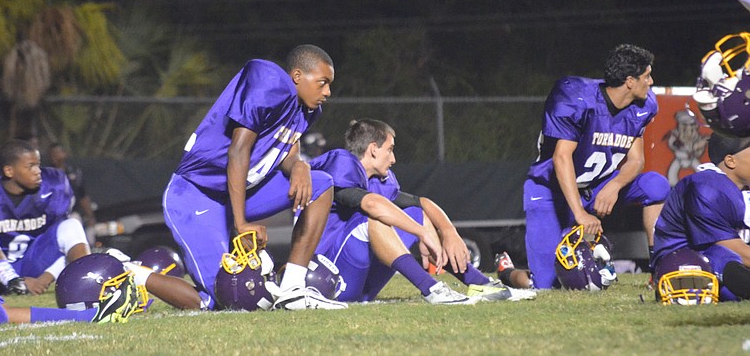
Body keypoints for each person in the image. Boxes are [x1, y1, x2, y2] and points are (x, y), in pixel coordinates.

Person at [163, 44, 346, 310]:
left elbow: (286, 146)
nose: (327, 92)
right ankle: (137, 274)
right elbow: (238, 151)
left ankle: (293, 288)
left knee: (321, 183)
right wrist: (241, 223)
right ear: (296, 76)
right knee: (226, 297)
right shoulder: (270, 82)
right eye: (322, 83)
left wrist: (299, 166)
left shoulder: (306, 110)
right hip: (196, 193)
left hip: (235, 194)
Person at [311, 118, 535, 304]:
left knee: (415, 213)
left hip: (359, 283)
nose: (394, 158)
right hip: (327, 278)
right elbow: (371, 205)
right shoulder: (342, 162)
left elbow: (422, 202)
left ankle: (480, 284)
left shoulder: (379, 179)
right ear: (372, 149)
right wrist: (422, 232)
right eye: (389, 150)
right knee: (376, 218)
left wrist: (449, 232)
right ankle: (432, 289)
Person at [523, 44, 670, 289]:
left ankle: (659, 267)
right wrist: (580, 214)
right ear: (630, 81)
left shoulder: (644, 106)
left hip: (599, 185)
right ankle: (509, 273)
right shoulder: (576, 98)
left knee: (656, 185)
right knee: (546, 285)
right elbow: (561, 158)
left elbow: (636, 160)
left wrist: (614, 185)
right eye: (647, 76)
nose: (652, 82)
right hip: (552, 190)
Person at [0, 139, 90, 295]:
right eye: (31, 166)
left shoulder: (51, 188)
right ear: (9, 171)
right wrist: (14, 279)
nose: (38, 171)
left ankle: (86, 281)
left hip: (35, 263)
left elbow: (64, 246)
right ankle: (12, 282)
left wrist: (44, 280)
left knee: (72, 225)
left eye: (38, 164)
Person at [651, 133, 750, 302]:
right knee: (722, 257)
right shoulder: (708, 188)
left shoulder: (739, 188)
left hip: (730, 259)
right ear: (730, 161)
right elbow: (733, 250)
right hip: (687, 265)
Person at [48, 143, 97, 244]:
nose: (55, 157)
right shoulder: (47, 174)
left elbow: (83, 195)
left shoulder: (74, 172)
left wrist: (90, 216)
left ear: (64, 153)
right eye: (52, 154)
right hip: (54, 216)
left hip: (72, 213)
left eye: (57, 153)